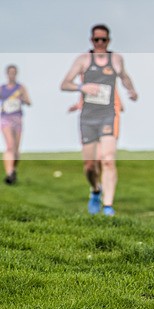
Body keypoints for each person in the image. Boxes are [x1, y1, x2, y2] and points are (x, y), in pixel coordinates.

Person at [60, 24, 138, 216]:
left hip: (108, 115)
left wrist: (131, 90)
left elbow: (125, 76)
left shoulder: (116, 59)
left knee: (108, 160)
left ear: (109, 40)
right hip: (88, 117)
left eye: (104, 40)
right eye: (97, 40)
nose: (100, 43)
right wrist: (82, 88)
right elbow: (64, 84)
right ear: (91, 40)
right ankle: (95, 190)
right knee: (90, 165)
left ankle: (108, 206)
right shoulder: (83, 60)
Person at [1, 65, 32, 185]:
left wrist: (21, 99)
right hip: (5, 118)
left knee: (16, 149)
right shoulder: (2, 88)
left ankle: (13, 170)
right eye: (10, 72)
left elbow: (29, 102)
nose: (12, 75)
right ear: (7, 74)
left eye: (14, 72)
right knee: (10, 145)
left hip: (17, 119)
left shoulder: (21, 88)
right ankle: (9, 174)